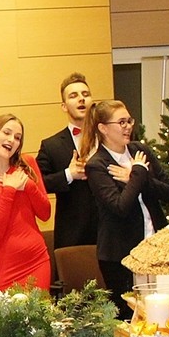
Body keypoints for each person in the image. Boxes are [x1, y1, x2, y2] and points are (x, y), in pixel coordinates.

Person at [85, 100, 169, 316]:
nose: (128, 127)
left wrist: (137, 177)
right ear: (103, 128)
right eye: (121, 122)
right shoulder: (97, 165)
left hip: (156, 245)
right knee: (131, 316)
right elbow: (120, 207)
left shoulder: (140, 151)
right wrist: (138, 174)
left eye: (129, 121)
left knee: (162, 310)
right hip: (120, 253)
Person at [0, 114, 51, 292]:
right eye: (6, 133)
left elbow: (45, 214)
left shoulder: (28, 164)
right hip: (2, 266)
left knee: (39, 310)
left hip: (36, 260)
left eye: (17, 137)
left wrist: (28, 185)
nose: (12, 140)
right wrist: (10, 190)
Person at [36, 73, 99, 250]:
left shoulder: (109, 137)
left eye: (85, 94)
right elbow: (37, 183)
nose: (81, 99)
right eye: (73, 96)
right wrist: (68, 175)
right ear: (64, 106)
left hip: (112, 234)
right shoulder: (51, 145)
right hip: (73, 235)